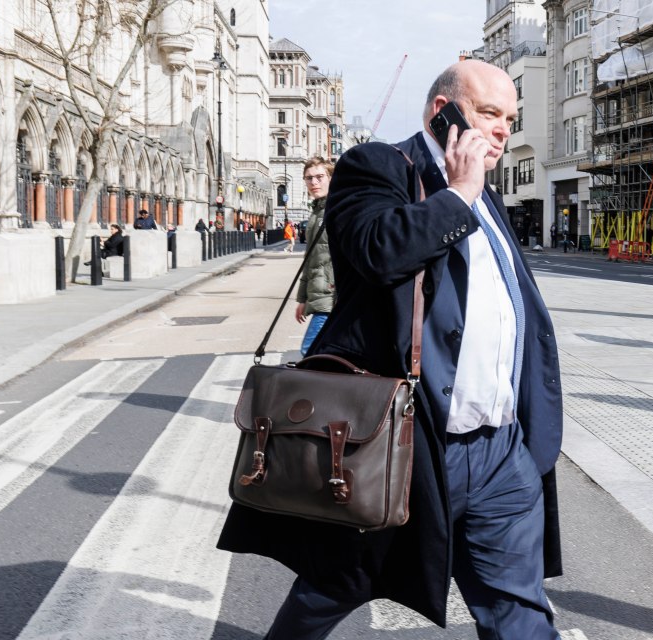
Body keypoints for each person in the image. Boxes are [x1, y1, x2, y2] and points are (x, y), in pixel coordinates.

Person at [217, 59, 563, 639]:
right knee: (336, 583)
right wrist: (457, 196)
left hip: (501, 451)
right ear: (443, 111)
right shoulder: (379, 167)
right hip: (410, 442)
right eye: (489, 114)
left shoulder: (491, 199)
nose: (503, 130)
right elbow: (379, 252)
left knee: (518, 611)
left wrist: (529, 435)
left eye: (511, 118)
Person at [295, 156, 336, 356]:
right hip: (320, 295)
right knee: (320, 352)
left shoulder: (336, 210)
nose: (314, 182)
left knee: (309, 351)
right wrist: (303, 299)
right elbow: (311, 260)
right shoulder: (317, 212)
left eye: (320, 177)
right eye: (309, 178)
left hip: (331, 295)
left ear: (331, 178)